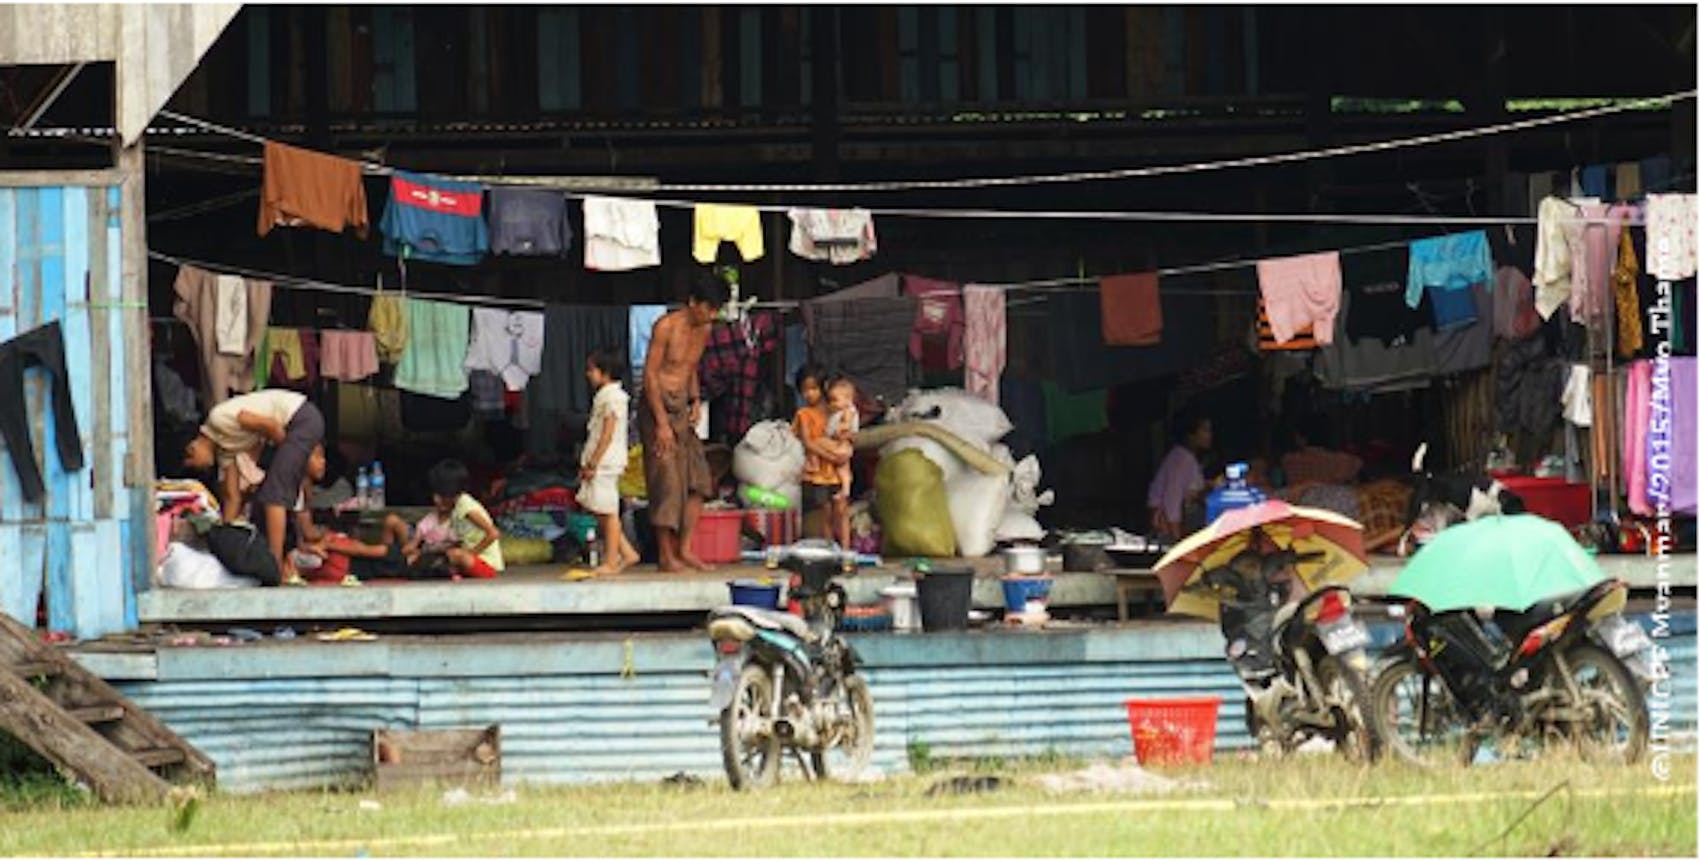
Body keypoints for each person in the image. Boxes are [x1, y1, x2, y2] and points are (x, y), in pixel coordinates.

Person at [180, 388, 325, 580]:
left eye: (192, 462)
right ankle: (278, 562)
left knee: (274, 495)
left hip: (300, 419)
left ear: (192, 447)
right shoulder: (224, 447)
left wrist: (294, 456)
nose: (198, 467)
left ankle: (275, 565)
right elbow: (232, 497)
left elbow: (271, 426)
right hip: (292, 430)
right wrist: (224, 536)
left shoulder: (217, 419)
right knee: (274, 491)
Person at [639, 272, 729, 572]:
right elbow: (650, 376)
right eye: (709, 307)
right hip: (657, 406)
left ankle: (685, 549)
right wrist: (662, 423)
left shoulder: (705, 329)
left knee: (698, 481)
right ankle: (666, 556)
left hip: (683, 407)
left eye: (717, 309)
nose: (713, 314)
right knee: (666, 480)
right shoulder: (666, 327)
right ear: (693, 302)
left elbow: (690, 366)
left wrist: (695, 399)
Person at [580, 347, 639, 574]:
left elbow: (607, 432)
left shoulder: (613, 397)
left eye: (591, 370)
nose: (588, 374)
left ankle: (611, 561)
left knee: (609, 510)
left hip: (605, 461)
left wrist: (594, 462)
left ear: (604, 372)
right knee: (600, 508)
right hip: (601, 459)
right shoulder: (606, 395)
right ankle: (627, 552)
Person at [791, 364, 851, 545]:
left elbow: (848, 433)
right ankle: (829, 547)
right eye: (804, 390)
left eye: (813, 388)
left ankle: (847, 549)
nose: (809, 394)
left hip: (838, 470)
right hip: (820, 472)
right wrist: (832, 456)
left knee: (842, 509)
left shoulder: (835, 410)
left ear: (824, 387)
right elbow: (808, 442)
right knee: (825, 511)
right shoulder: (803, 414)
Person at [425, 459, 505, 579]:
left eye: (440, 495)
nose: (436, 499)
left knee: (456, 555)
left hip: (487, 565)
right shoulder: (455, 507)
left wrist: (471, 554)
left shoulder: (466, 507)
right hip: (469, 559)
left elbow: (493, 533)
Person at [1147, 413, 1214, 541]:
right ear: (1191, 435)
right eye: (1205, 430)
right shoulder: (1181, 460)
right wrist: (1176, 538)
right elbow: (1172, 500)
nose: (1210, 435)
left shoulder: (1186, 458)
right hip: (1169, 527)